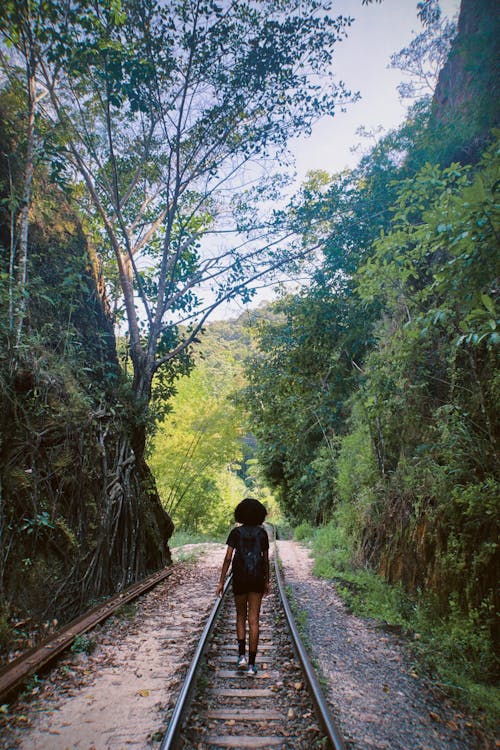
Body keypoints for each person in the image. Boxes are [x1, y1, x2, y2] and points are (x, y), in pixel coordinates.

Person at [216, 497, 270, 676]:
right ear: (260, 515)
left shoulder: (235, 533)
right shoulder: (262, 534)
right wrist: (267, 580)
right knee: (254, 619)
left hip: (240, 577)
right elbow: (265, 560)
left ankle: (241, 657)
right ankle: (252, 665)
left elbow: (228, 558)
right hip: (256, 579)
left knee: (240, 616)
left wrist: (221, 581)